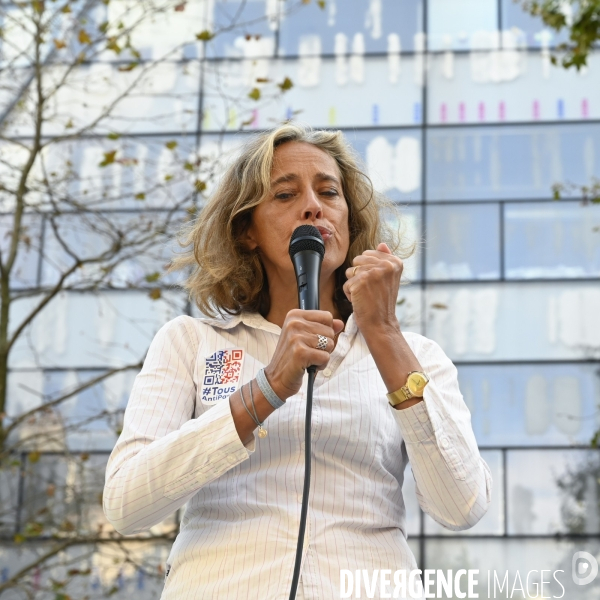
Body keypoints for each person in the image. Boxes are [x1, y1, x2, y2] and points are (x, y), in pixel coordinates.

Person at [103, 123, 492, 599]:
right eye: (285, 195)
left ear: (349, 219)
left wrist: (385, 335)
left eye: (330, 191)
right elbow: (126, 504)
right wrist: (264, 391)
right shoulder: (189, 342)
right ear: (246, 230)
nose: (314, 205)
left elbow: (463, 505)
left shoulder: (416, 355)